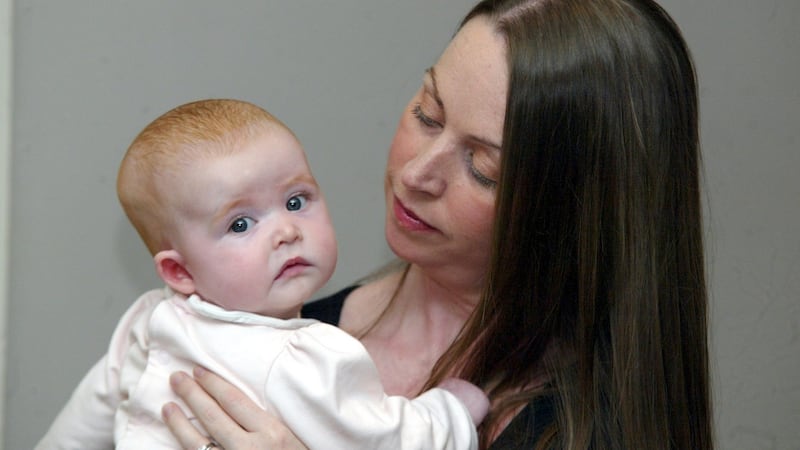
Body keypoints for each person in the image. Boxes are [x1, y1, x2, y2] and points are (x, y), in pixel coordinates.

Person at [162, 0, 712, 448]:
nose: (417, 174)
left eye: (484, 167)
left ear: (570, 212)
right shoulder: (267, 327)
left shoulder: (584, 430)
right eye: (428, 113)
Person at [36, 99, 490, 450]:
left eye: (295, 201)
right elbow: (390, 439)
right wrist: (451, 408)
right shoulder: (303, 357)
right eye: (240, 224)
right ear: (178, 270)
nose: (286, 231)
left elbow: (81, 425)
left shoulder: (150, 320)